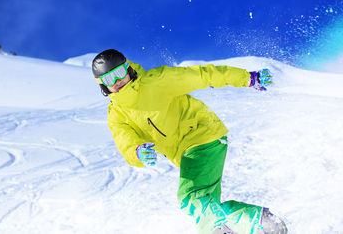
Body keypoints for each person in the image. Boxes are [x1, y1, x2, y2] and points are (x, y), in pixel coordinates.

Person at [92, 49, 287, 234]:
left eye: (119, 73)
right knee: (206, 206)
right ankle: (257, 224)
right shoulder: (117, 114)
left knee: (189, 198)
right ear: (102, 84)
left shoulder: (155, 81)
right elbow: (124, 139)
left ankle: (253, 223)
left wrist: (248, 78)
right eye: (109, 78)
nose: (117, 81)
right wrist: (136, 152)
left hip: (202, 135)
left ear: (128, 68)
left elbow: (203, 75)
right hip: (187, 154)